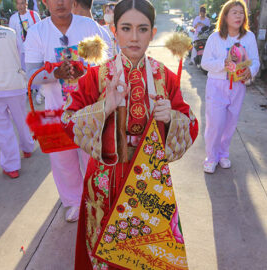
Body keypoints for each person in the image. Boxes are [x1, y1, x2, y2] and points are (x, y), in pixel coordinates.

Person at [61, 0, 198, 268]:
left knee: (144, 252)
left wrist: (171, 118)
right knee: (104, 249)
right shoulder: (96, 76)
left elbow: (190, 123)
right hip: (105, 178)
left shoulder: (164, 77)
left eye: (142, 29)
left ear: (153, 33)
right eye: (126, 28)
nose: (134, 37)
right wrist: (105, 107)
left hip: (149, 178)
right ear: (114, 31)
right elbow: (67, 120)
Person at [24, 0, 112, 222]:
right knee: (63, 162)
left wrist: (87, 72)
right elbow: (32, 75)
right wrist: (55, 74)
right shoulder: (37, 32)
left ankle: (98, 202)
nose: (60, 2)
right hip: (55, 109)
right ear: (45, 1)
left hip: (90, 108)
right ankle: (73, 202)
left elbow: (108, 64)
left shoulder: (90, 27)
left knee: (92, 158)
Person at [201, 0, 260, 174]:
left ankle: (223, 154)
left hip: (238, 86)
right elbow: (205, 63)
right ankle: (211, 158)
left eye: (241, 13)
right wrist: (223, 64)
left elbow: (255, 60)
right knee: (215, 123)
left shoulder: (249, 37)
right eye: (234, 12)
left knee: (230, 123)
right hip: (217, 86)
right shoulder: (215, 37)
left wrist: (251, 70)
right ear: (225, 16)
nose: (239, 16)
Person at [0, 21, 34, 179]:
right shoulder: (10, 32)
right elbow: (23, 56)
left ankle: (12, 165)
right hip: (15, 83)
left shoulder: (11, 32)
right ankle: (27, 147)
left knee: (3, 129)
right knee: (21, 119)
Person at [9, 0, 43, 104]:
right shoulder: (13, 18)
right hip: (22, 50)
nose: (20, 6)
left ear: (26, 4)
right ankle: (28, 90)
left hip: (35, 50)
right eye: (18, 3)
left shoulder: (34, 15)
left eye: (22, 3)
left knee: (37, 70)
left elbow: (41, 30)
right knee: (24, 71)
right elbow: (12, 35)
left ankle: (40, 92)